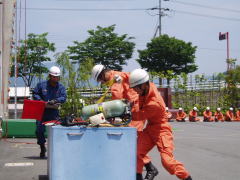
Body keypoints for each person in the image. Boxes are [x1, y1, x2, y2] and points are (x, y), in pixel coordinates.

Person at [91, 65, 158, 179]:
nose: (102, 82)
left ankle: (147, 170)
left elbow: (117, 99)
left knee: (134, 143)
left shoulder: (116, 80)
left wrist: (109, 114)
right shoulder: (117, 76)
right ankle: (145, 169)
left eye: (100, 79)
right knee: (134, 143)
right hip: (133, 109)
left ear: (103, 74)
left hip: (135, 111)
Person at [129, 69, 192, 180]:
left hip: (162, 131)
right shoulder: (147, 88)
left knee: (167, 162)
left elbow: (139, 116)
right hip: (150, 128)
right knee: (136, 153)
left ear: (143, 85)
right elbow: (138, 103)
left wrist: (127, 113)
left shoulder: (154, 103)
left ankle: (186, 177)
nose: (134, 91)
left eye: (135, 88)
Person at [33, 66, 67, 158]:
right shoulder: (42, 85)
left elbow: (64, 98)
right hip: (42, 111)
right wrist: (40, 100)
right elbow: (35, 93)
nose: (55, 78)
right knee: (39, 130)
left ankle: (56, 150)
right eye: (53, 77)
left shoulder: (61, 87)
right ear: (50, 76)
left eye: (57, 77)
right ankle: (42, 147)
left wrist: (55, 100)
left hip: (53, 112)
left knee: (56, 131)